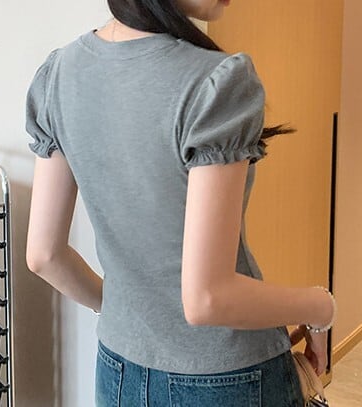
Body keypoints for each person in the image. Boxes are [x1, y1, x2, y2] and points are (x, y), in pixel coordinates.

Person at [25, 1, 337, 406]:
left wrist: (127, 313)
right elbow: (208, 299)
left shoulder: (58, 74)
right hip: (225, 380)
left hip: (117, 370)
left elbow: (44, 256)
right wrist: (320, 307)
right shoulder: (217, 81)